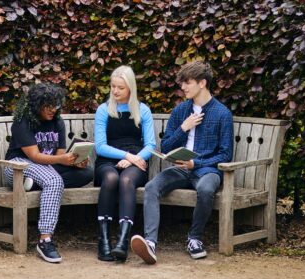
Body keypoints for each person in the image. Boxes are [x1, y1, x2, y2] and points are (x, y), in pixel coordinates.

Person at [131, 60, 233, 264]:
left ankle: (194, 239)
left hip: (206, 171)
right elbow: (167, 146)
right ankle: (150, 243)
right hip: (179, 169)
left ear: (202, 83)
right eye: (182, 83)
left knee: (205, 189)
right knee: (151, 187)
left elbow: (225, 154)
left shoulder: (222, 114)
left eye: (187, 82)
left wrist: (197, 164)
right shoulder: (180, 111)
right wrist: (184, 128)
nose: (183, 87)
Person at [3, 83, 94, 263]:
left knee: (87, 174)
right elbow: (35, 156)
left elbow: (59, 156)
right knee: (54, 181)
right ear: (37, 105)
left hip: (44, 168)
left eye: (56, 105)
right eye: (48, 105)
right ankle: (45, 240)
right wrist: (62, 160)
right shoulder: (23, 122)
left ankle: (34, 184)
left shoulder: (57, 122)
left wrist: (75, 162)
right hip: (18, 167)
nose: (53, 109)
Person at [93, 65, 156, 262]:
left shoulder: (142, 110)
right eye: (113, 86)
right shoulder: (104, 110)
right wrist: (127, 156)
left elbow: (151, 145)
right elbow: (100, 146)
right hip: (108, 161)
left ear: (130, 88)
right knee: (111, 178)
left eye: (120, 87)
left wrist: (134, 160)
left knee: (127, 181)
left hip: (136, 162)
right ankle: (103, 240)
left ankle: (122, 240)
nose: (115, 91)